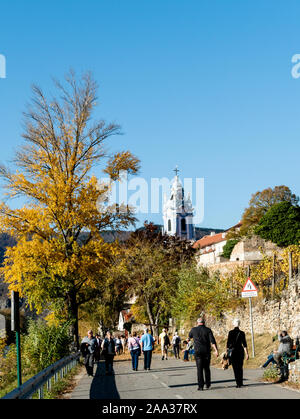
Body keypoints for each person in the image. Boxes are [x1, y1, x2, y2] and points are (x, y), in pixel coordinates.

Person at [189, 316, 219, 391]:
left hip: (198, 351)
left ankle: (200, 386)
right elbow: (212, 341)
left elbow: (189, 336)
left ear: (197, 323)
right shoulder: (208, 330)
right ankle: (208, 384)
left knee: (199, 369)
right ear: (204, 323)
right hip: (206, 351)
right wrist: (216, 350)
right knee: (206, 368)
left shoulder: (193, 329)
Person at [226, 319, 249, 388]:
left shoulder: (230, 332)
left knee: (235, 368)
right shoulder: (242, 333)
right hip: (240, 351)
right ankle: (241, 382)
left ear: (233, 324)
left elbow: (228, 344)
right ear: (239, 324)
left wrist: (227, 352)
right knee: (240, 367)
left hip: (233, 352)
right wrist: (247, 354)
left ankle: (238, 383)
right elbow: (244, 344)